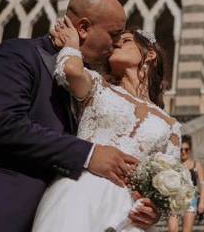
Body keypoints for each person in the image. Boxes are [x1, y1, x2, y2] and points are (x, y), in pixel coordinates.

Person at [0, 0, 159, 232]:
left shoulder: (96, 87)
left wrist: (140, 209)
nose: (114, 44)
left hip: (62, 218)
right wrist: (89, 154)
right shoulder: (19, 55)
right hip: (0, 214)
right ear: (83, 28)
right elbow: (7, 126)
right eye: (113, 34)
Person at [32, 20, 182, 231]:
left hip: (126, 213)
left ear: (150, 55)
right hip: (79, 192)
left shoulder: (170, 125)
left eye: (126, 40)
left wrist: (153, 211)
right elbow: (72, 71)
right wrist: (72, 43)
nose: (117, 44)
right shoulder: (98, 86)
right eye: (115, 42)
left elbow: (163, 183)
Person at [168, 135, 204, 232]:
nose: (183, 152)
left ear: (190, 150)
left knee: (187, 230)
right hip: (175, 200)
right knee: (172, 229)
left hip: (191, 200)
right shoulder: (174, 164)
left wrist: (201, 202)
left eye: (186, 149)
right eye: (181, 150)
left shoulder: (196, 164)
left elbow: (203, 183)